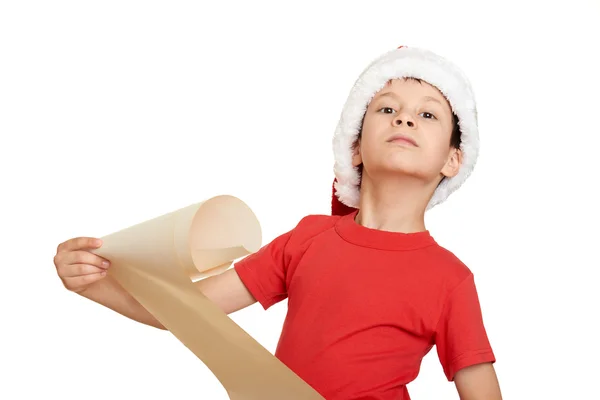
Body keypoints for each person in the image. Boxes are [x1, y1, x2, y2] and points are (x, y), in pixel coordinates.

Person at [54, 45, 502, 399]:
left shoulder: (450, 280)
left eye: (428, 114)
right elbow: (189, 313)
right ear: (355, 148)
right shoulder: (308, 240)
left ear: (452, 159)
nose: (404, 117)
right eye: (385, 108)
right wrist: (95, 284)